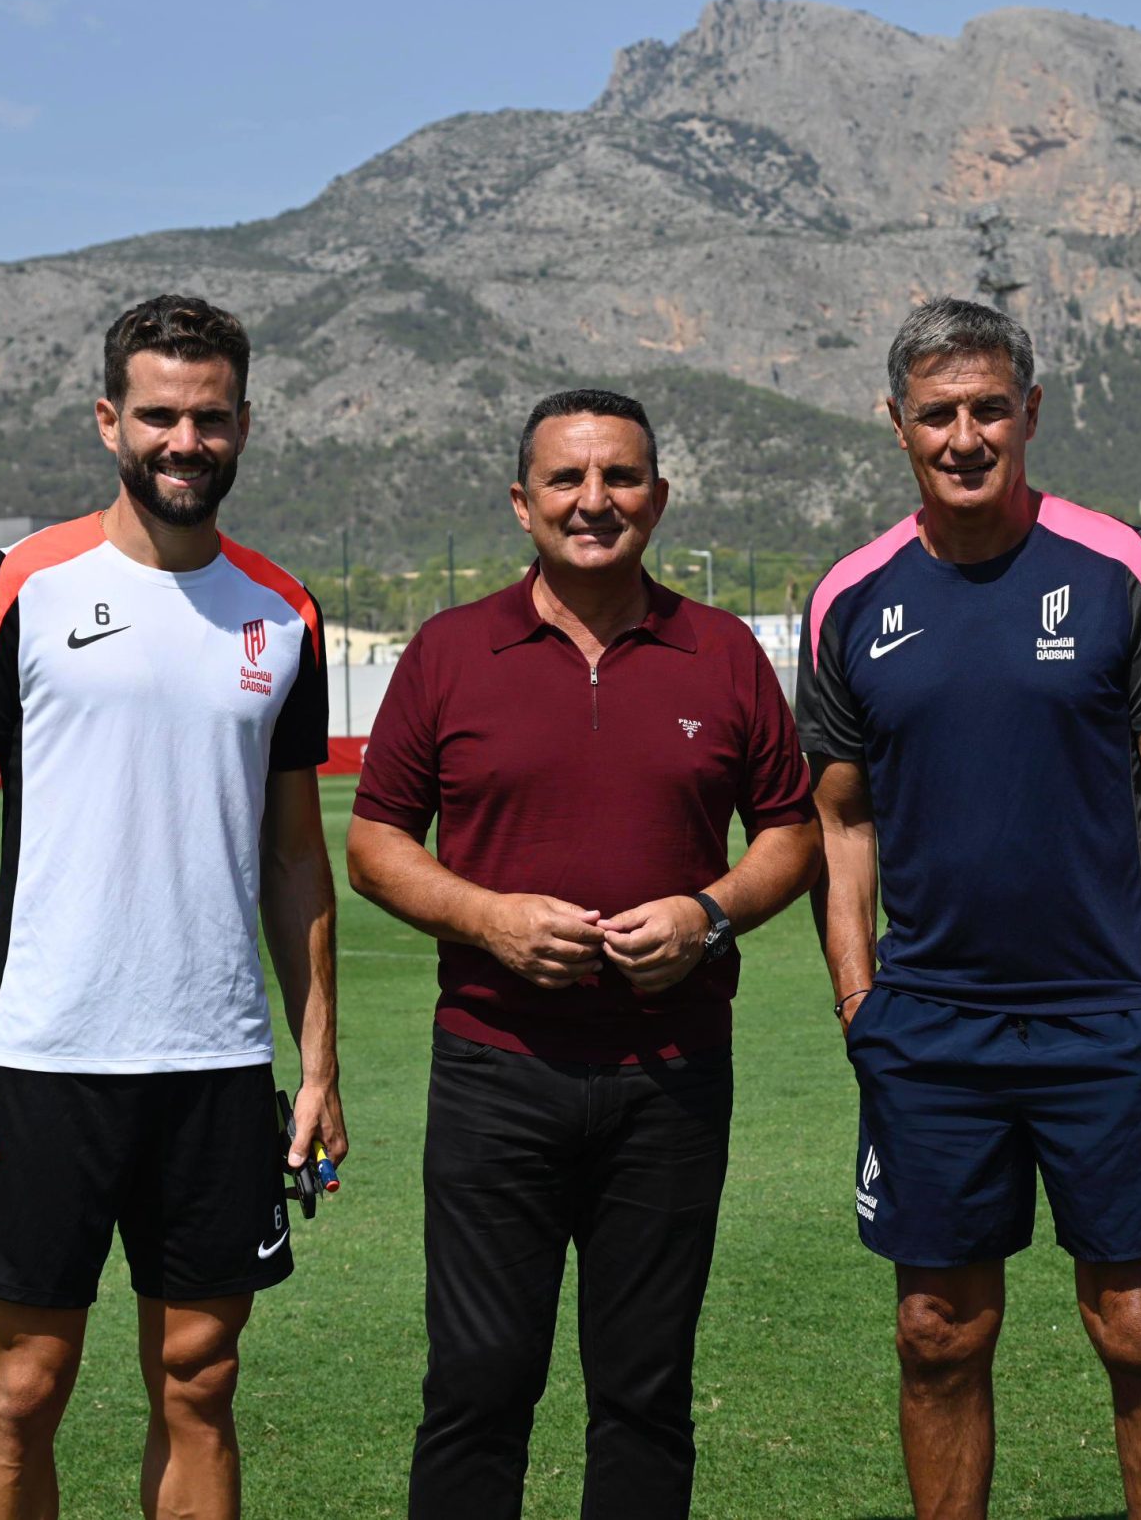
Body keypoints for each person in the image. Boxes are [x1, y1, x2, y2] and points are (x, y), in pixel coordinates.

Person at [0, 294, 345, 1520]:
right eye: (159, 416)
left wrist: (317, 1066)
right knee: (22, 1387)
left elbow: (295, 860)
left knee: (201, 1381)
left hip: (216, 1062)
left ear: (244, 423)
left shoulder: (284, 612)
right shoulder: (20, 585)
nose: (185, 440)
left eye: (210, 417)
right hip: (47, 1057)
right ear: (110, 422)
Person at [345, 388, 819, 1519]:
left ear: (659, 498)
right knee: (476, 1387)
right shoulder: (450, 649)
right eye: (567, 478)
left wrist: (707, 916)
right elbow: (372, 844)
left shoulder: (723, 652)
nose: (594, 500)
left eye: (620, 478)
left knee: (645, 1394)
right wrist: (487, 919)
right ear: (523, 502)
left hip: (672, 1078)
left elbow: (793, 835)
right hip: (494, 1073)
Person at [796, 298, 1141, 1520]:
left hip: (1106, 1019)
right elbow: (839, 823)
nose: (965, 435)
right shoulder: (850, 597)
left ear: (1030, 412)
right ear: (897, 426)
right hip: (930, 1028)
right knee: (937, 1334)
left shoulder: (1119, 567)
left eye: (990, 408)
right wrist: (859, 1001)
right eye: (937, 414)